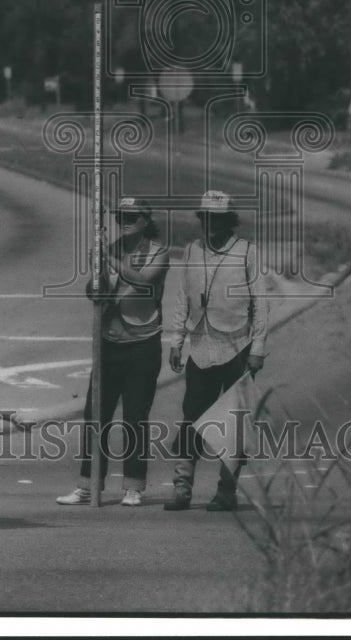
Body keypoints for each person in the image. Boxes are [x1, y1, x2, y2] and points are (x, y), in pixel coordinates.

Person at [57, 196, 170, 507]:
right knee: (96, 416)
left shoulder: (159, 253)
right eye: (121, 216)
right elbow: (96, 290)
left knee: (135, 418)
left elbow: (144, 282)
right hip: (109, 343)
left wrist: (109, 259)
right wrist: (96, 279)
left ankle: (134, 486)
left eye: (132, 216)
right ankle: (88, 484)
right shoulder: (108, 252)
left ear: (146, 219)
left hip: (143, 344)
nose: (126, 220)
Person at [163, 190, 270, 512]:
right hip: (200, 347)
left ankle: (226, 490)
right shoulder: (193, 250)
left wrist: (258, 349)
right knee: (191, 420)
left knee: (234, 423)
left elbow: (261, 303)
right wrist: (177, 341)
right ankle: (182, 488)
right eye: (206, 218)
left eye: (218, 219)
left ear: (229, 222)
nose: (210, 225)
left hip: (237, 347)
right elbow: (184, 297)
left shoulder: (247, 252)